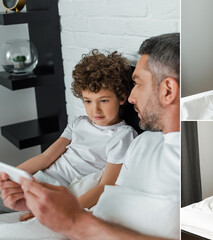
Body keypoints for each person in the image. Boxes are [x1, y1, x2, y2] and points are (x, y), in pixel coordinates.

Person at [0, 33, 180, 240]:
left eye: (138, 84)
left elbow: (105, 186)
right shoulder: (143, 143)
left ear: (168, 90)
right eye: (88, 101)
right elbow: (110, 192)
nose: (131, 98)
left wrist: (72, 218)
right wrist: (21, 183)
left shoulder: (126, 138)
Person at [0, 50, 137, 219]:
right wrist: (12, 176)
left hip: (58, 189)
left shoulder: (122, 135)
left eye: (104, 100)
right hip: (39, 178)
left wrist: (67, 210)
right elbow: (46, 157)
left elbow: (106, 186)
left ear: (122, 98)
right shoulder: (78, 123)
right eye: (88, 101)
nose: (95, 110)